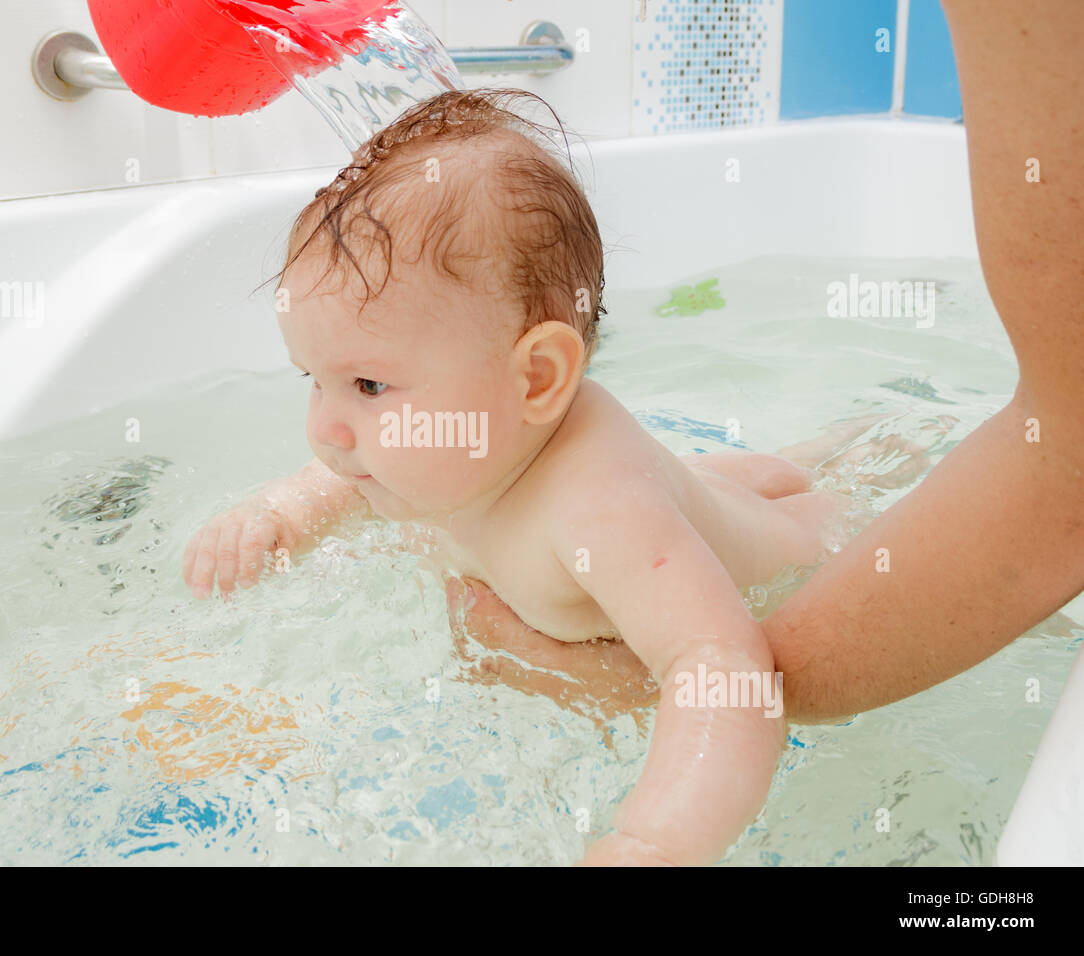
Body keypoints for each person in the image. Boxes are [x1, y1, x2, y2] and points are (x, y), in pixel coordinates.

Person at [182, 87, 891, 865]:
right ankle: (798, 459)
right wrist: (278, 514)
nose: (325, 430)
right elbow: (341, 478)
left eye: (369, 386)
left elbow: (720, 667)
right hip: (696, 488)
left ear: (538, 378)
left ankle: (854, 452)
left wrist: (651, 842)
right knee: (718, 485)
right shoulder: (442, 453)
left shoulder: (598, 513)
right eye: (313, 381)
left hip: (796, 551)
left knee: (813, 496)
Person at [449, 0, 1084, 726]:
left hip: (791, 541)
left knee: (803, 515)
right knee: (736, 492)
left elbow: (1069, 460)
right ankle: (820, 459)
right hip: (729, 502)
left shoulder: (597, 511)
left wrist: (612, 682)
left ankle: (832, 472)